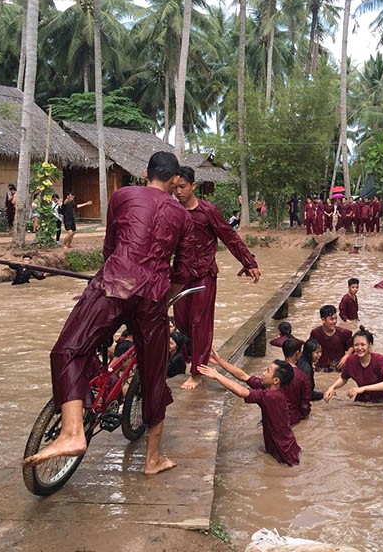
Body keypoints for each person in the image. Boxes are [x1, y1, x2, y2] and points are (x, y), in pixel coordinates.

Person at [22, 151, 201, 475]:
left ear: (145, 172)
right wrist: (165, 298)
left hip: (113, 284)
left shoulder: (123, 196)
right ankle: (153, 460)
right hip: (152, 297)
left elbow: (110, 249)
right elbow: (183, 271)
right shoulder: (183, 217)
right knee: (154, 377)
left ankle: (73, 431)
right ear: (176, 180)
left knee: (69, 350)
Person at [172, 165, 261, 390]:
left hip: (204, 274)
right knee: (182, 322)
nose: (178, 192)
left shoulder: (208, 211)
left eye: (182, 187)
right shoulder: (172, 211)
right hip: (180, 275)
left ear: (193, 186)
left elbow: (230, 237)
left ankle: (197, 372)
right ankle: (200, 353)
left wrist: (248, 262)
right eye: (175, 187)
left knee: (198, 322)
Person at [198, 359, 300, 466]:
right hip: (287, 447)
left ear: (276, 380)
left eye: (268, 371)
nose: (263, 373)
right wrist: (219, 361)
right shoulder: (270, 388)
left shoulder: (272, 396)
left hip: (284, 453)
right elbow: (244, 376)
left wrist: (217, 376)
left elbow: (242, 392)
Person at [323, 326, 383, 403]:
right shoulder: (351, 360)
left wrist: (363, 388)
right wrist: (332, 387)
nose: (359, 348)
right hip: (361, 400)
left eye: (363, 345)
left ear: (369, 345)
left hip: (382, 402)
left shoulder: (380, 360)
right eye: (356, 345)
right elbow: (343, 378)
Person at [309, 304, 353, 371]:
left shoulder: (343, 333)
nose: (334, 321)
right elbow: (309, 350)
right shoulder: (315, 333)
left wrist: (346, 356)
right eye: (331, 319)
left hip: (338, 369)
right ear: (323, 320)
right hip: (321, 369)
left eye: (336, 318)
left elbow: (353, 346)